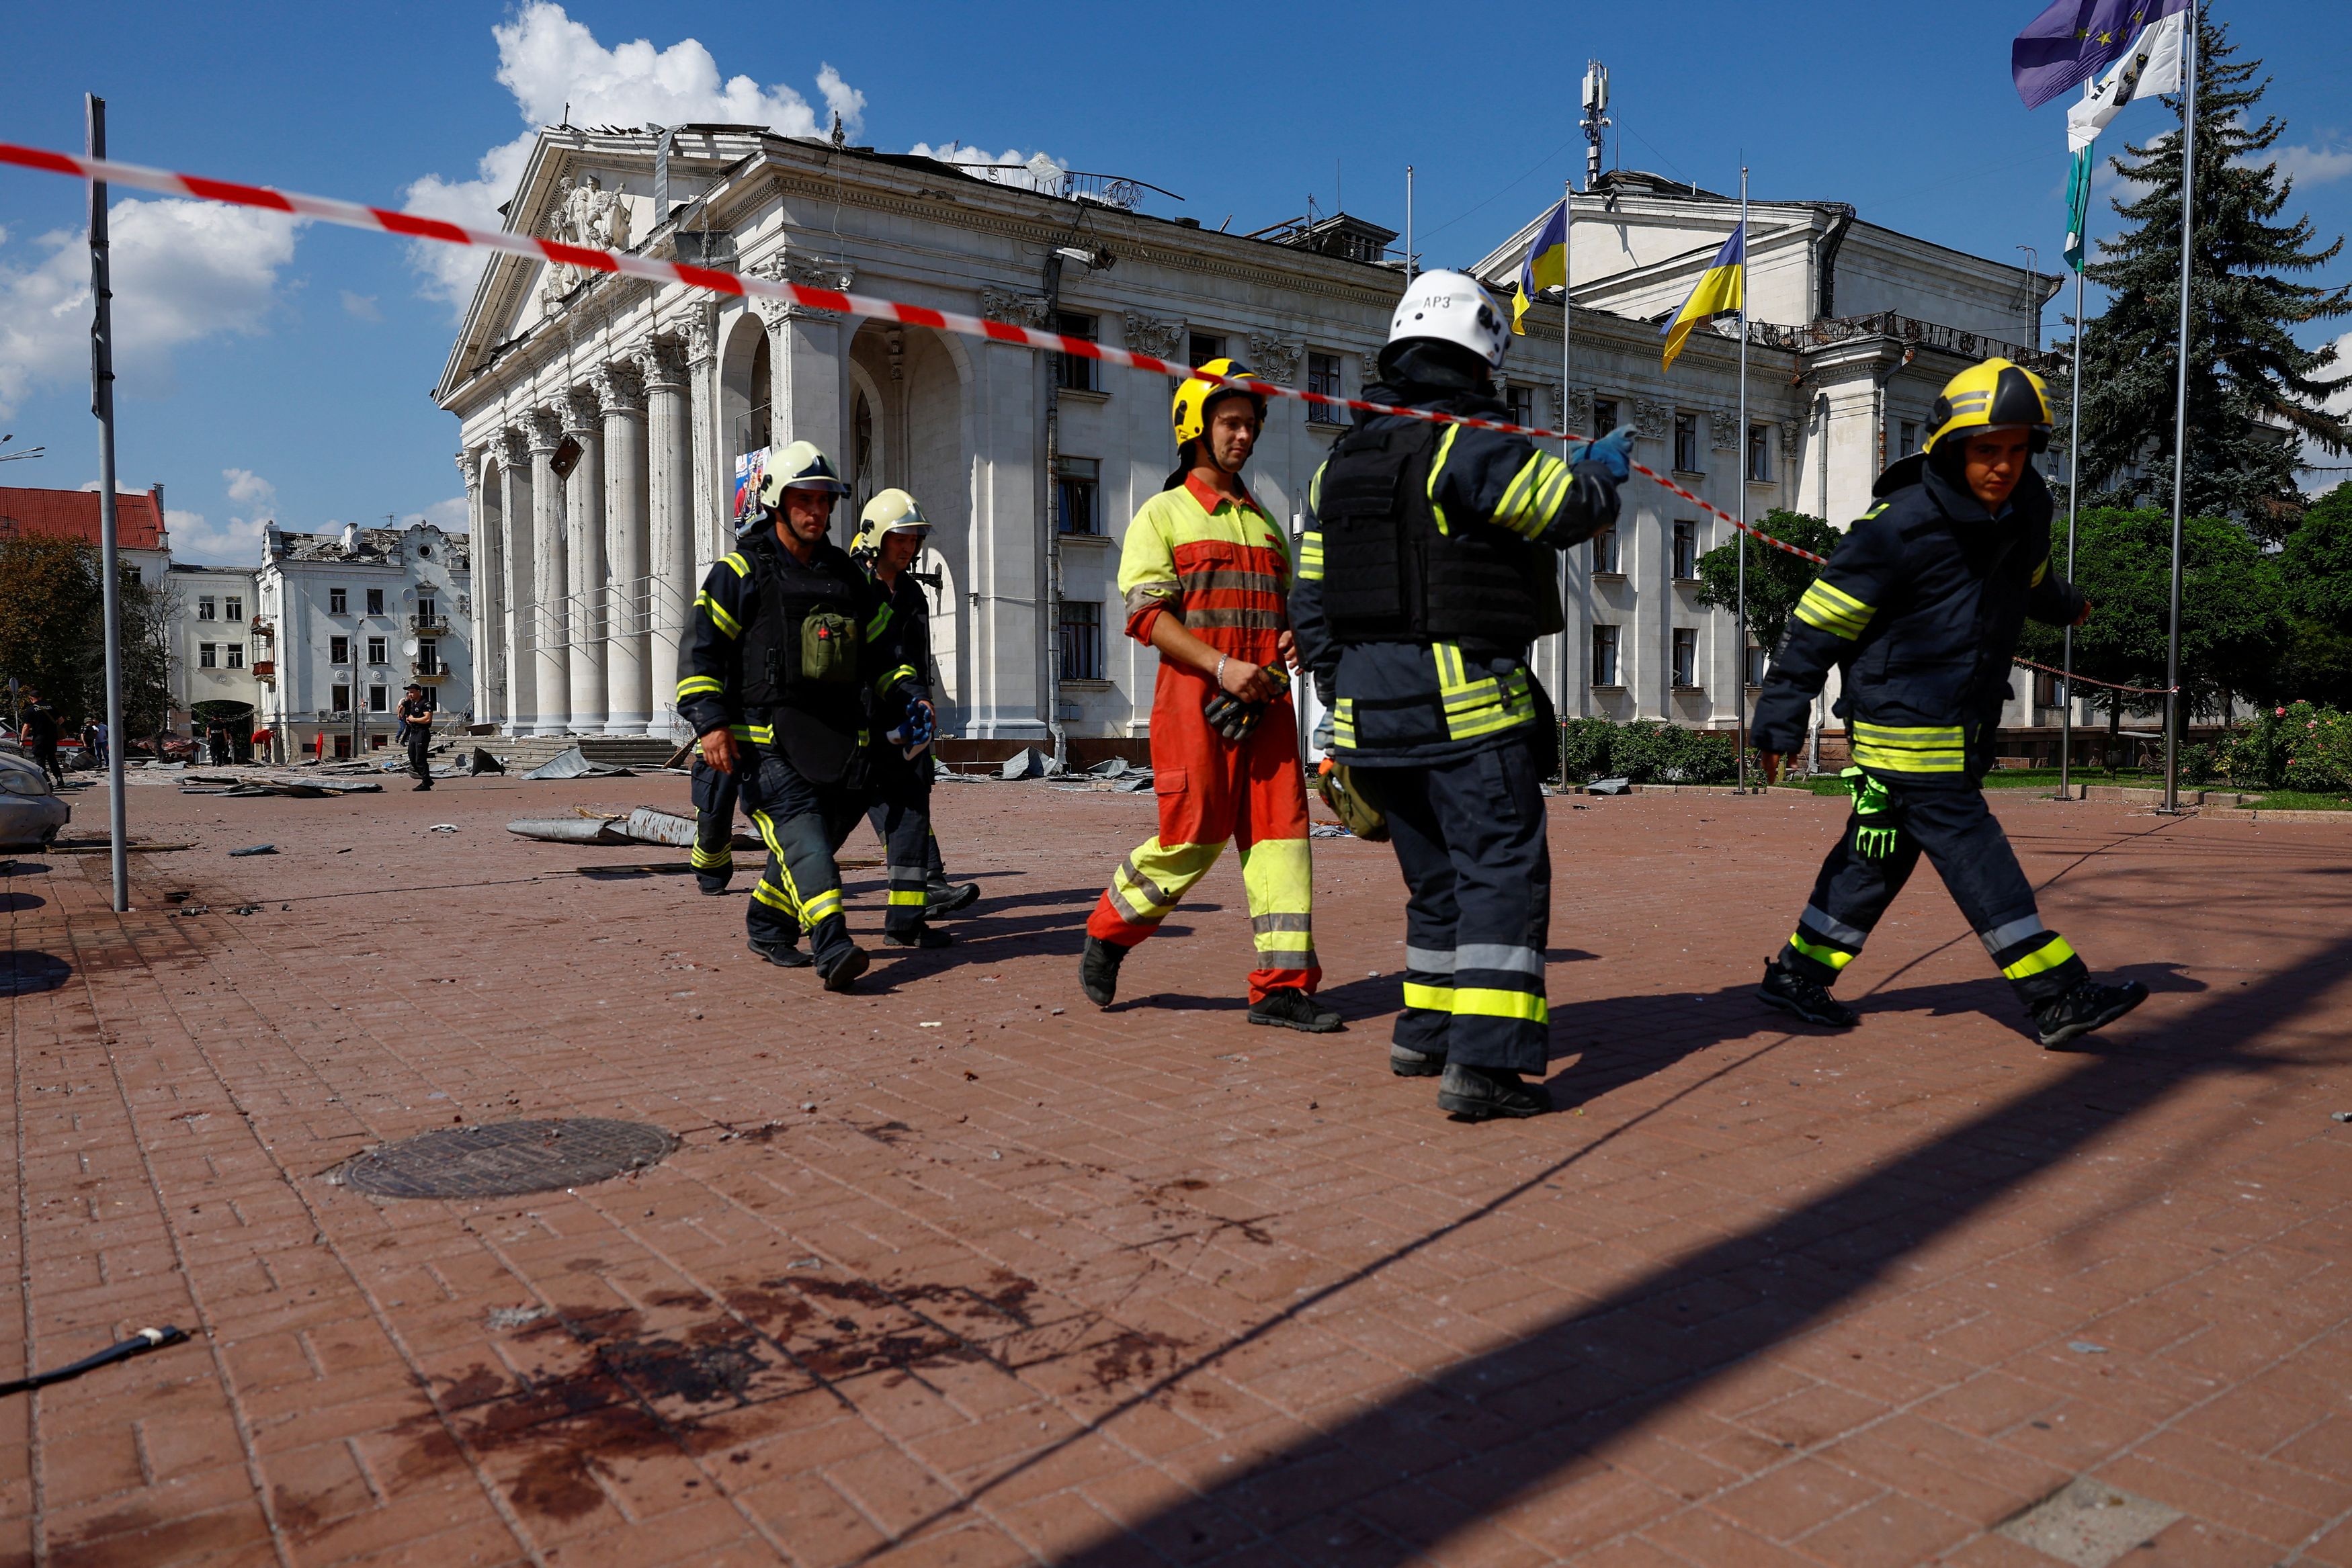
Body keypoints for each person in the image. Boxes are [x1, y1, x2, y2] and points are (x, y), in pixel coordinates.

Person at [1293, 269, 1629, 1120]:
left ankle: (1424, 1033)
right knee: (1499, 881)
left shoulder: (1337, 466)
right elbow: (1560, 512)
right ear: (1482, 361)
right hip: (1466, 710)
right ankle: (1484, 1068)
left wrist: (1346, 694)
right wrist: (1598, 474)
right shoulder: (1470, 443)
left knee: (1434, 884)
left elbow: (1309, 600)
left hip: (1372, 723)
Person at [1751, 356, 2148, 1050]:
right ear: (1949, 447)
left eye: (2017, 450)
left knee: (1877, 856)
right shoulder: (1895, 525)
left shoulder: (2026, 507)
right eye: (1985, 450)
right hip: (1900, 718)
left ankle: (1796, 973)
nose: (2001, 466)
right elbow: (1818, 623)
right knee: (1973, 851)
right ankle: (2054, 995)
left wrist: (2067, 606)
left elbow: (2026, 579)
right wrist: (1780, 716)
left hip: (1965, 715)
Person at [1078, 359, 1337, 1033]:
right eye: (1229, 423)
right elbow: (1145, 615)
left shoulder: (1263, 524)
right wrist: (1222, 669)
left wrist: (1291, 643)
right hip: (1196, 704)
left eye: (1249, 424)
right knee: (1191, 837)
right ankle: (1109, 930)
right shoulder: (1161, 514)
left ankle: (1282, 988)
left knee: (1283, 842)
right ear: (1195, 427)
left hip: (1268, 707)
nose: (1242, 436)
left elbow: (1283, 617)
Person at [675, 439, 943, 990]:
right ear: (777, 500)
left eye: (825, 501)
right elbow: (701, 652)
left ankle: (769, 920)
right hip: (763, 740)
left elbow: (883, 654)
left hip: (840, 740)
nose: (817, 511)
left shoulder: (848, 577)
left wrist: (910, 695)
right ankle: (832, 942)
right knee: (803, 835)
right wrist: (711, 723)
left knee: (817, 836)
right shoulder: (738, 572)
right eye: (805, 499)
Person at [849, 490, 980, 923]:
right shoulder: (850, 586)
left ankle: (931, 884)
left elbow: (918, 658)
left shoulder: (910, 593)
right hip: (854, 720)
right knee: (832, 813)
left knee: (910, 798)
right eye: (900, 539)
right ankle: (788, 898)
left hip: (901, 716)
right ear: (876, 538)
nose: (908, 549)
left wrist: (923, 700)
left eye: (915, 540)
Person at [396, 683, 435, 790]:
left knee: (420, 759)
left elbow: (428, 719)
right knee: (412, 757)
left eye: (412, 692)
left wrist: (414, 720)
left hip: (422, 732)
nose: (410, 694)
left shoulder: (425, 703)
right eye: (408, 692)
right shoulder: (413, 703)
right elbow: (404, 709)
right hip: (414, 732)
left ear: (419, 691)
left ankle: (425, 783)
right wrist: (408, 720)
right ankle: (427, 780)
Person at [19, 694, 64, 787]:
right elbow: (61, 720)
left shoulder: (31, 710)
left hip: (39, 738)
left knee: (40, 760)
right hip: (52, 738)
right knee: (52, 758)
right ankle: (60, 779)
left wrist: (22, 740)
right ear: (41, 697)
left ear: (31, 699)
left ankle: (46, 782)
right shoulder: (51, 707)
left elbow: (26, 727)